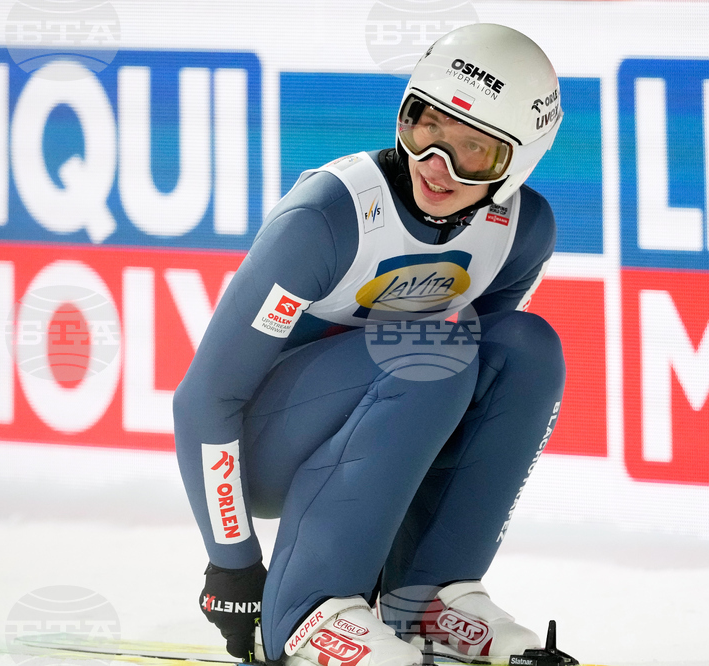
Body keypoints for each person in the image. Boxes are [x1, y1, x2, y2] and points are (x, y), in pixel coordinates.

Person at [174, 23, 566, 666]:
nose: (436, 166)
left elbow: (465, 407)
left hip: (379, 420)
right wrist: (234, 568)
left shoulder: (520, 231)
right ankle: (306, 613)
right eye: (425, 127)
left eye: (474, 152)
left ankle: (429, 601)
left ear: (516, 165)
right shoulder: (329, 218)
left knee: (524, 349)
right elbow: (205, 399)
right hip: (267, 448)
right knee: (433, 348)